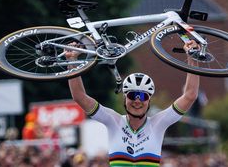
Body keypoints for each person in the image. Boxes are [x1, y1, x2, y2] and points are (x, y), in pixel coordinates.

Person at [66, 41, 200, 166]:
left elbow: (190, 95)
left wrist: (192, 59)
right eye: (132, 95)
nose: (137, 101)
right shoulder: (114, 121)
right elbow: (79, 96)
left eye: (142, 96)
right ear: (125, 98)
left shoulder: (158, 124)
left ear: (149, 100)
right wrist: (71, 61)